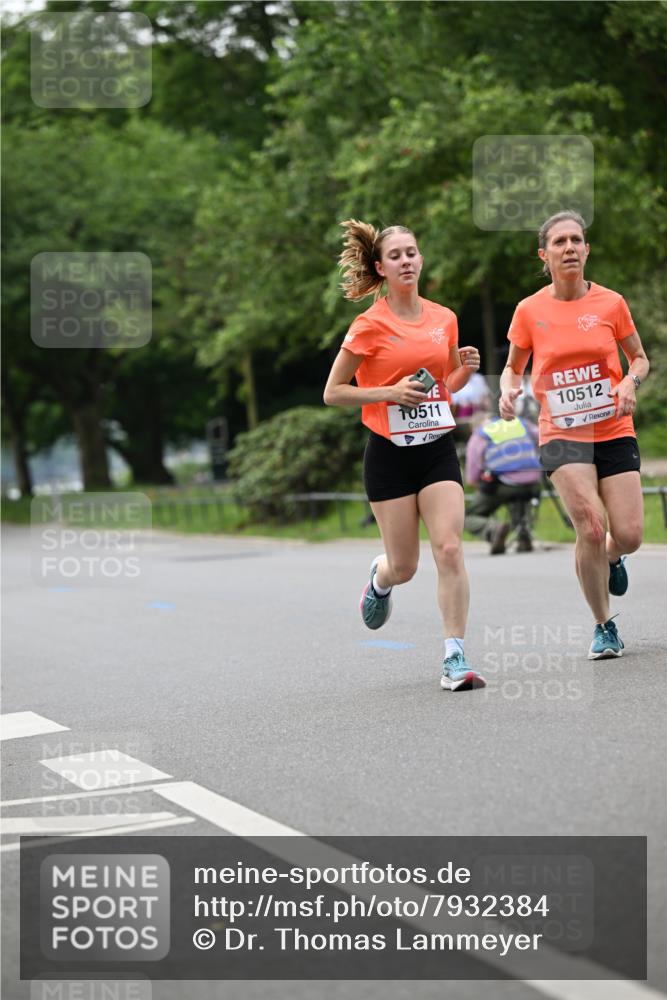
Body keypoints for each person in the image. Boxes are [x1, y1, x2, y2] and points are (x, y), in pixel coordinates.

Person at [323, 220, 485, 691]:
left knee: (450, 548)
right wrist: (388, 392)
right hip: (389, 455)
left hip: (436, 448)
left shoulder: (443, 318)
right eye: (396, 256)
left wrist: (463, 369)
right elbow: (333, 393)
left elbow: (444, 386)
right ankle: (381, 578)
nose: (407, 261)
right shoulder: (368, 325)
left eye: (412, 252)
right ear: (381, 267)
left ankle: (454, 657)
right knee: (407, 565)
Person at [499, 210, 650, 659]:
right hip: (562, 433)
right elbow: (512, 366)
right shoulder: (529, 310)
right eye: (560, 242)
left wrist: (628, 382)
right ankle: (604, 625)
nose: (569, 248)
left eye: (576, 240)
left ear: (586, 249)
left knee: (629, 534)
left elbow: (639, 358)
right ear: (544, 255)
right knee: (589, 524)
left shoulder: (611, 303)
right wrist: (509, 391)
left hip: (613, 426)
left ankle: (613, 555)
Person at [464, 412, 542, 554]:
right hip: (534, 479)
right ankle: (524, 537)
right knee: (518, 492)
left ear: (473, 427)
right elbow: (541, 437)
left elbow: (472, 476)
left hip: (505, 483)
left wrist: (479, 486)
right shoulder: (520, 423)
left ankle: (492, 529)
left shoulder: (480, 434)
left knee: (466, 516)